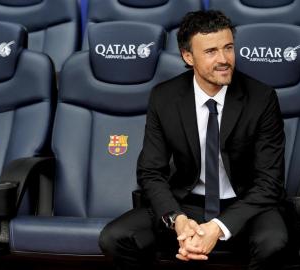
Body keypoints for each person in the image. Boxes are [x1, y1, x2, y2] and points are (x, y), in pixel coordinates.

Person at [99, 10, 288, 270]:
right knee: (115, 237)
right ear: (188, 57)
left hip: (245, 204)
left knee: (274, 242)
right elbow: (150, 171)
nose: (224, 59)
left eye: (228, 48)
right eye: (211, 51)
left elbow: (270, 182)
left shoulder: (261, 98)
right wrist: (177, 219)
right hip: (188, 202)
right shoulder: (164, 97)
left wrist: (219, 227)